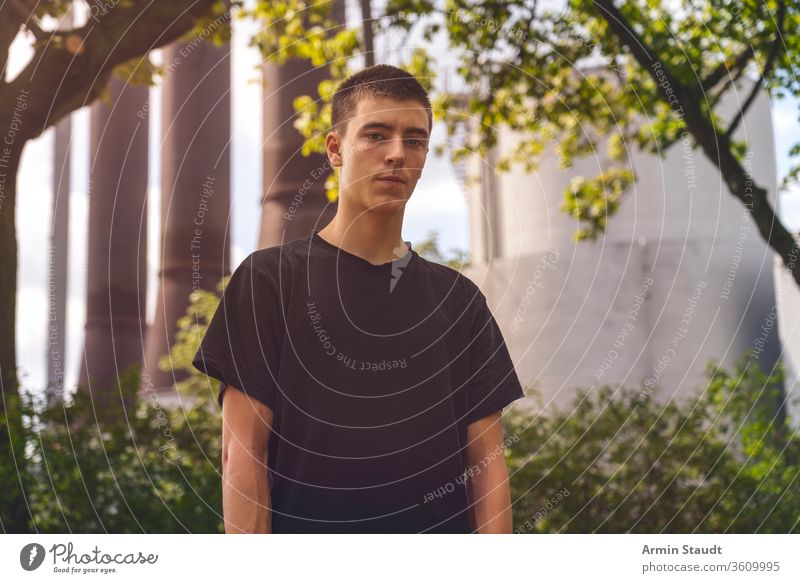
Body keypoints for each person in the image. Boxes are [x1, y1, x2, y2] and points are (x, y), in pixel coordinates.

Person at [192, 64, 525, 533]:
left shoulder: (460, 302)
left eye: (414, 140)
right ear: (335, 148)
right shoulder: (269, 281)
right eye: (376, 134)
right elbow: (243, 455)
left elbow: (488, 470)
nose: (396, 154)